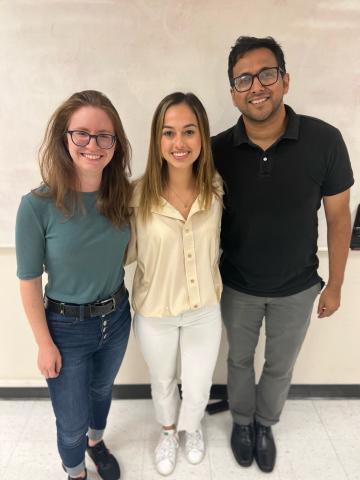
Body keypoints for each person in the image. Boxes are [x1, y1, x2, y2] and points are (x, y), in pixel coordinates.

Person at [212, 36, 354, 473]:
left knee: (279, 364)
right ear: (233, 91)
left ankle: (265, 423)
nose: (256, 86)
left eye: (266, 73)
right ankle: (240, 421)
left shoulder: (325, 140)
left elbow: (338, 218)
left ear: (285, 80)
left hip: (298, 286)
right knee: (237, 359)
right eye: (243, 79)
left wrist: (335, 284)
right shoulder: (216, 150)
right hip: (237, 283)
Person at [15, 90, 132, 480]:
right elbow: (29, 281)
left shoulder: (122, 198)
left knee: (102, 393)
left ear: (116, 144)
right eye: (81, 134)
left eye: (104, 136)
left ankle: (96, 443)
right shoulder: (37, 205)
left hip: (116, 318)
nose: (93, 145)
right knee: (69, 421)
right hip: (65, 330)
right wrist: (44, 343)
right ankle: (75, 472)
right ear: (64, 138)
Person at [127, 92, 223, 476]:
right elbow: (122, 252)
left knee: (198, 385)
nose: (178, 143)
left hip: (204, 310)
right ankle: (168, 432)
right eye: (168, 133)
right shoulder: (135, 195)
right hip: (155, 312)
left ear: (202, 137)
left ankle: (191, 427)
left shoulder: (216, 189)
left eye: (188, 132)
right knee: (163, 380)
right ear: (157, 139)